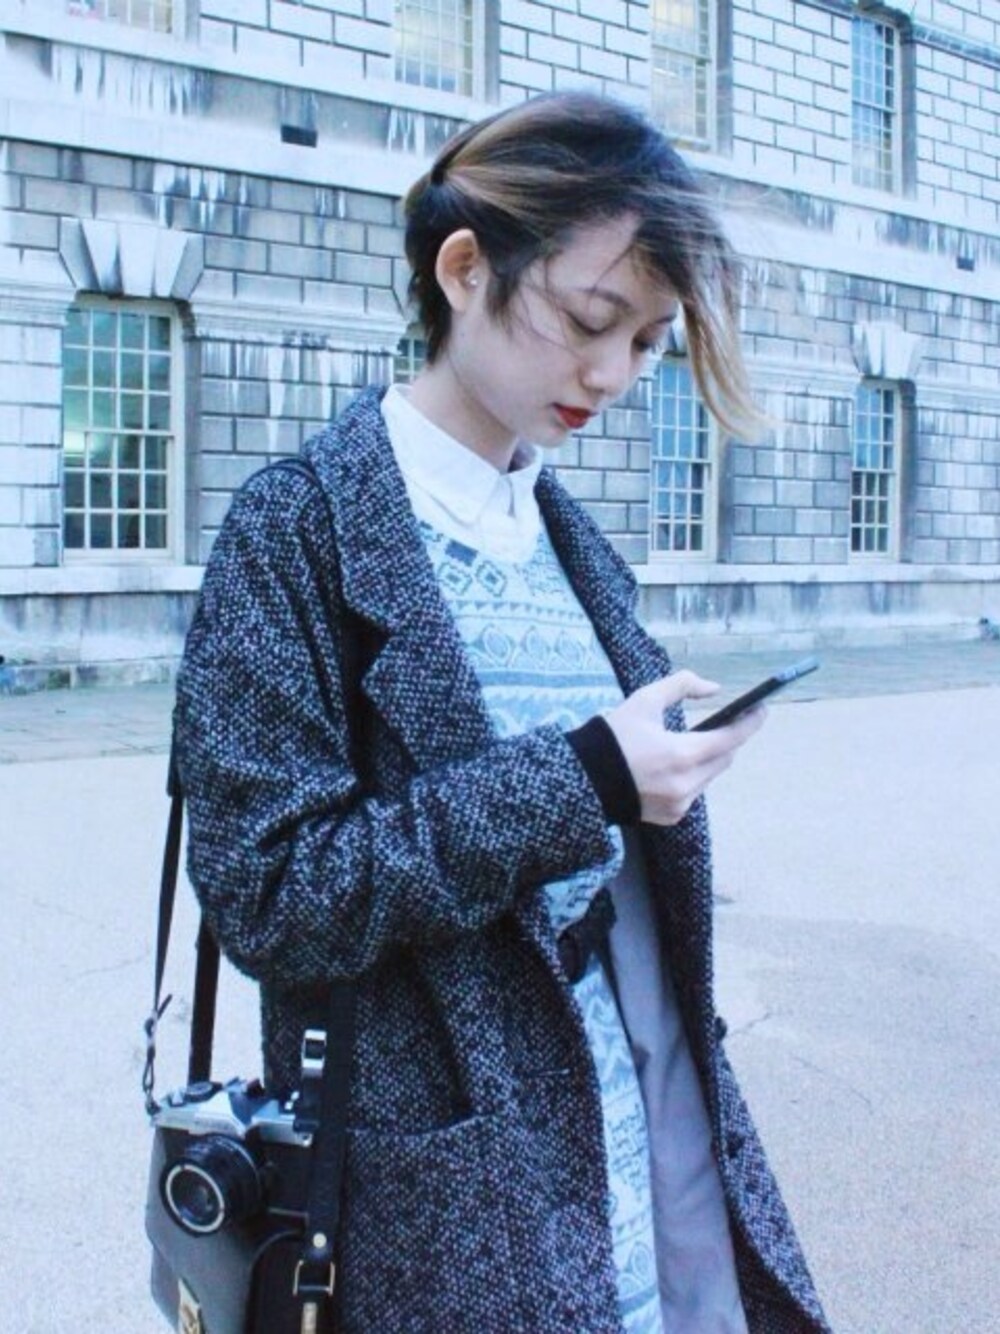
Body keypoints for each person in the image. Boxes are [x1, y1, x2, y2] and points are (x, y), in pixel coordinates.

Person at [175, 92, 831, 1333]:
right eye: (589, 320)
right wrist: (587, 776)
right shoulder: (299, 532)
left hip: (641, 1143)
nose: (611, 374)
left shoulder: (565, 535)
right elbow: (271, 892)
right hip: (454, 1201)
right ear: (465, 269)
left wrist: (646, 771)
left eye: (647, 342)